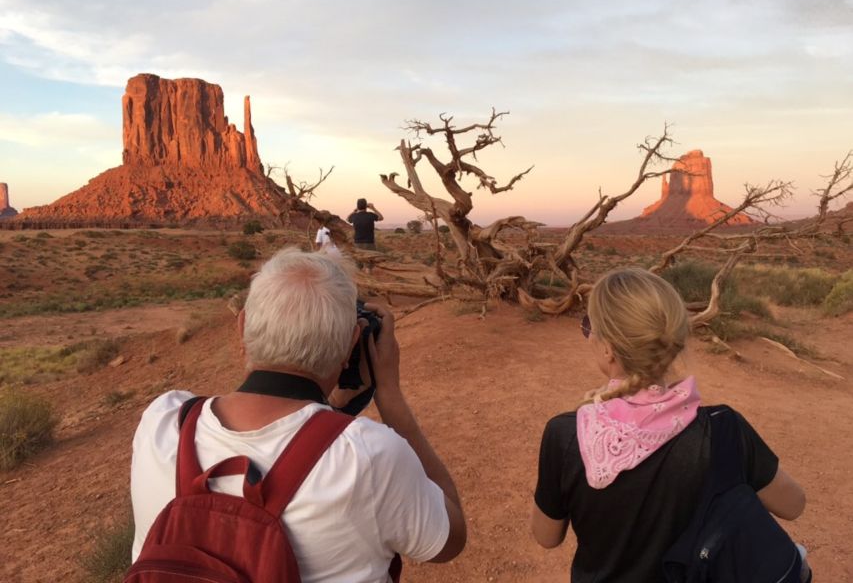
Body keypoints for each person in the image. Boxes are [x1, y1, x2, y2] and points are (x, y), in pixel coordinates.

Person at [130, 248, 466, 582]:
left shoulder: (164, 421)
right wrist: (390, 398)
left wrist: (329, 409)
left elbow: (279, 439)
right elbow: (449, 540)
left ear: (243, 325)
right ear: (351, 343)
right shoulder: (368, 456)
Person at [531, 268, 809, 582]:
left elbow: (547, 536)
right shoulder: (724, 430)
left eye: (589, 327)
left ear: (608, 346)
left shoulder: (565, 436)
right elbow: (793, 504)